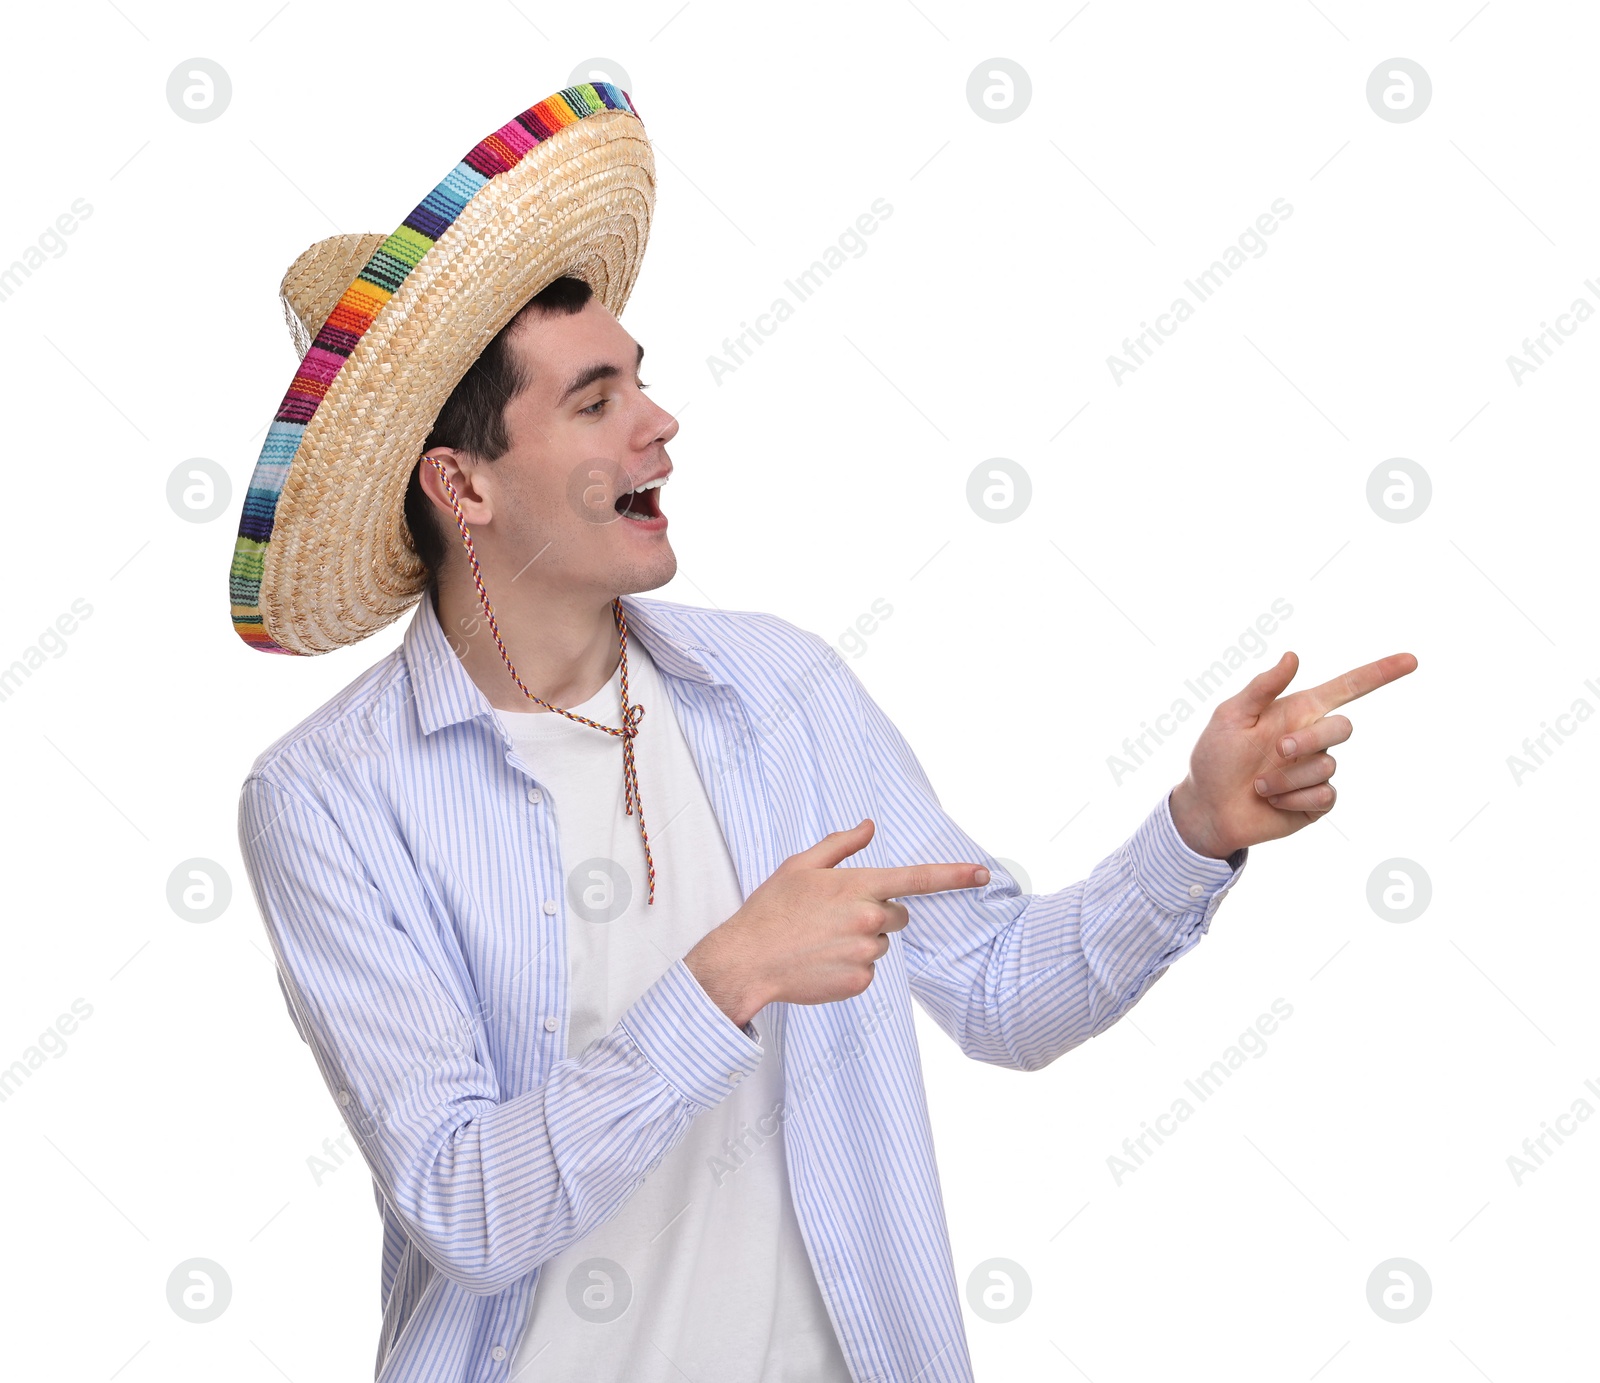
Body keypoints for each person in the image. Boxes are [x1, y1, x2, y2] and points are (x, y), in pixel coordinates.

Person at [232, 84, 1416, 1383]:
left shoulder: (779, 696)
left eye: (642, 381)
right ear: (461, 483)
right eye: (593, 401)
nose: (658, 423)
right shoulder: (329, 798)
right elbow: (466, 1207)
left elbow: (1008, 994)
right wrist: (726, 976)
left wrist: (1194, 833)